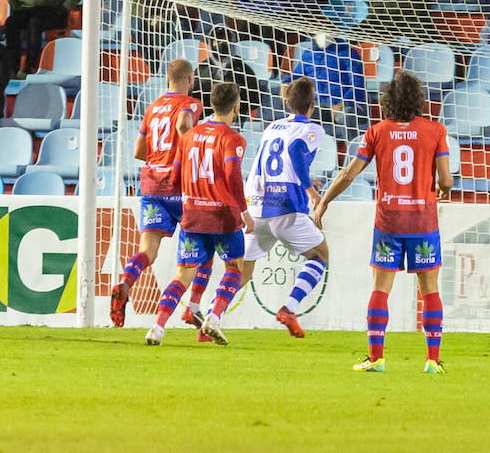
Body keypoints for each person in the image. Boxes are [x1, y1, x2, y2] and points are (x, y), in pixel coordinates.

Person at [316, 71, 452, 373]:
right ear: (418, 100)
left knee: (380, 288)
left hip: (389, 221)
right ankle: (432, 360)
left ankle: (376, 358)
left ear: (388, 101)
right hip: (423, 221)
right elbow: (446, 179)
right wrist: (443, 187)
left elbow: (348, 174)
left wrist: (324, 201)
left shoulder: (377, 132)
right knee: (430, 289)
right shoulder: (436, 131)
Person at [144, 82, 253, 347]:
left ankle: (157, 328)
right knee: (235, 268)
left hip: (192, 215)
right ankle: (214, 317)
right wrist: (243, 211)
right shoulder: (233, 139)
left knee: (182, 274)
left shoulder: (189, 136)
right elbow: (232, 176)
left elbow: (177, 172)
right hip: (222, 216)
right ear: (236, 107)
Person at [109, 59, 204, 328]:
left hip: (151, 186)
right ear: (190, 79)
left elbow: (139, 150)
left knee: (148, 251)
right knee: (194, 259)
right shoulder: (192, 103)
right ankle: (189, 309)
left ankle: (126, 281)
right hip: (180, 188)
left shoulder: (152, 108)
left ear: (167, 80)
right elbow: (184, 126)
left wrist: (160, 159)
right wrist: (187, 154)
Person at [234, 76, 331, 338]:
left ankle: (210, 314)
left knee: (243, 273)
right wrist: (311, 191)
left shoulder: (271, 127)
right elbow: (297, 151)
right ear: (312, 104)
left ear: (287, 103)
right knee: (320, 254)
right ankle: (289, 307)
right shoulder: (313, 130)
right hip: (286, 207)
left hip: (256, 205)